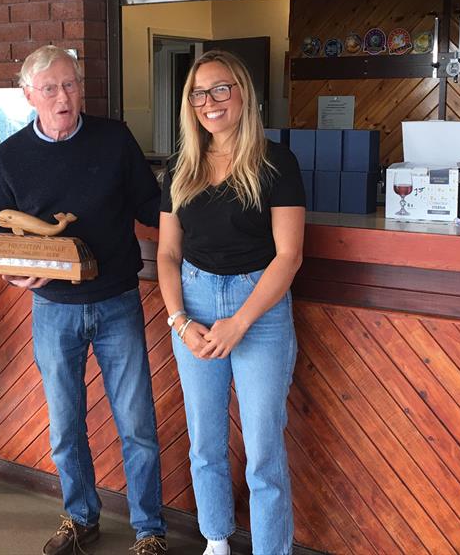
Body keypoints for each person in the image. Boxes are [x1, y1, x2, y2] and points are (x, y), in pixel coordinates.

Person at [0, 45, 167, 555]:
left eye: (70, 85)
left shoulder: (114, 139)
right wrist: (17, 278)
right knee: (65, 425)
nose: (64, 97)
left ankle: (149, 531)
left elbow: (152, 207)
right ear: (29, 96)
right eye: (50, 89)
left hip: (117, 301)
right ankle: (80, 517)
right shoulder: (10, 158)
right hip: (53, 310)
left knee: (136, 424)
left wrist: (195, 199)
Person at [157, 50, 305, 555]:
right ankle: (216, 541)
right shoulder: (181, 165)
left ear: (244, 93)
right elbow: (168, 253)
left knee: (263, 450)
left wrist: (239, 322)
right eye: (199, 93)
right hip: (193, 303)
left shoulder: (275, 161)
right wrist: (179, 320)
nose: (209, 101)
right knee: (205, 443)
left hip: (258, 310)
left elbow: (288, 257)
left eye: (221, 88)